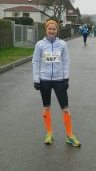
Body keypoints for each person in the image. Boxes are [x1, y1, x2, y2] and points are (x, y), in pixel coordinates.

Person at [32, 19, 81, 147]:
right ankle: (49, 134)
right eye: (50, 29)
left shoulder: (62, 44)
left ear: (57, 30)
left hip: (59, 79)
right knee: (46, 107)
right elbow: (36, 62)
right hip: (44, 80)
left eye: (54, 29)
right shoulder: (40, 44)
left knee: (65, 108)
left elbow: (66, 61)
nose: (52, 31)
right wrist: (36, 79)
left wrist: (66, 78)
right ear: (46, 29)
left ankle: (69, 136)